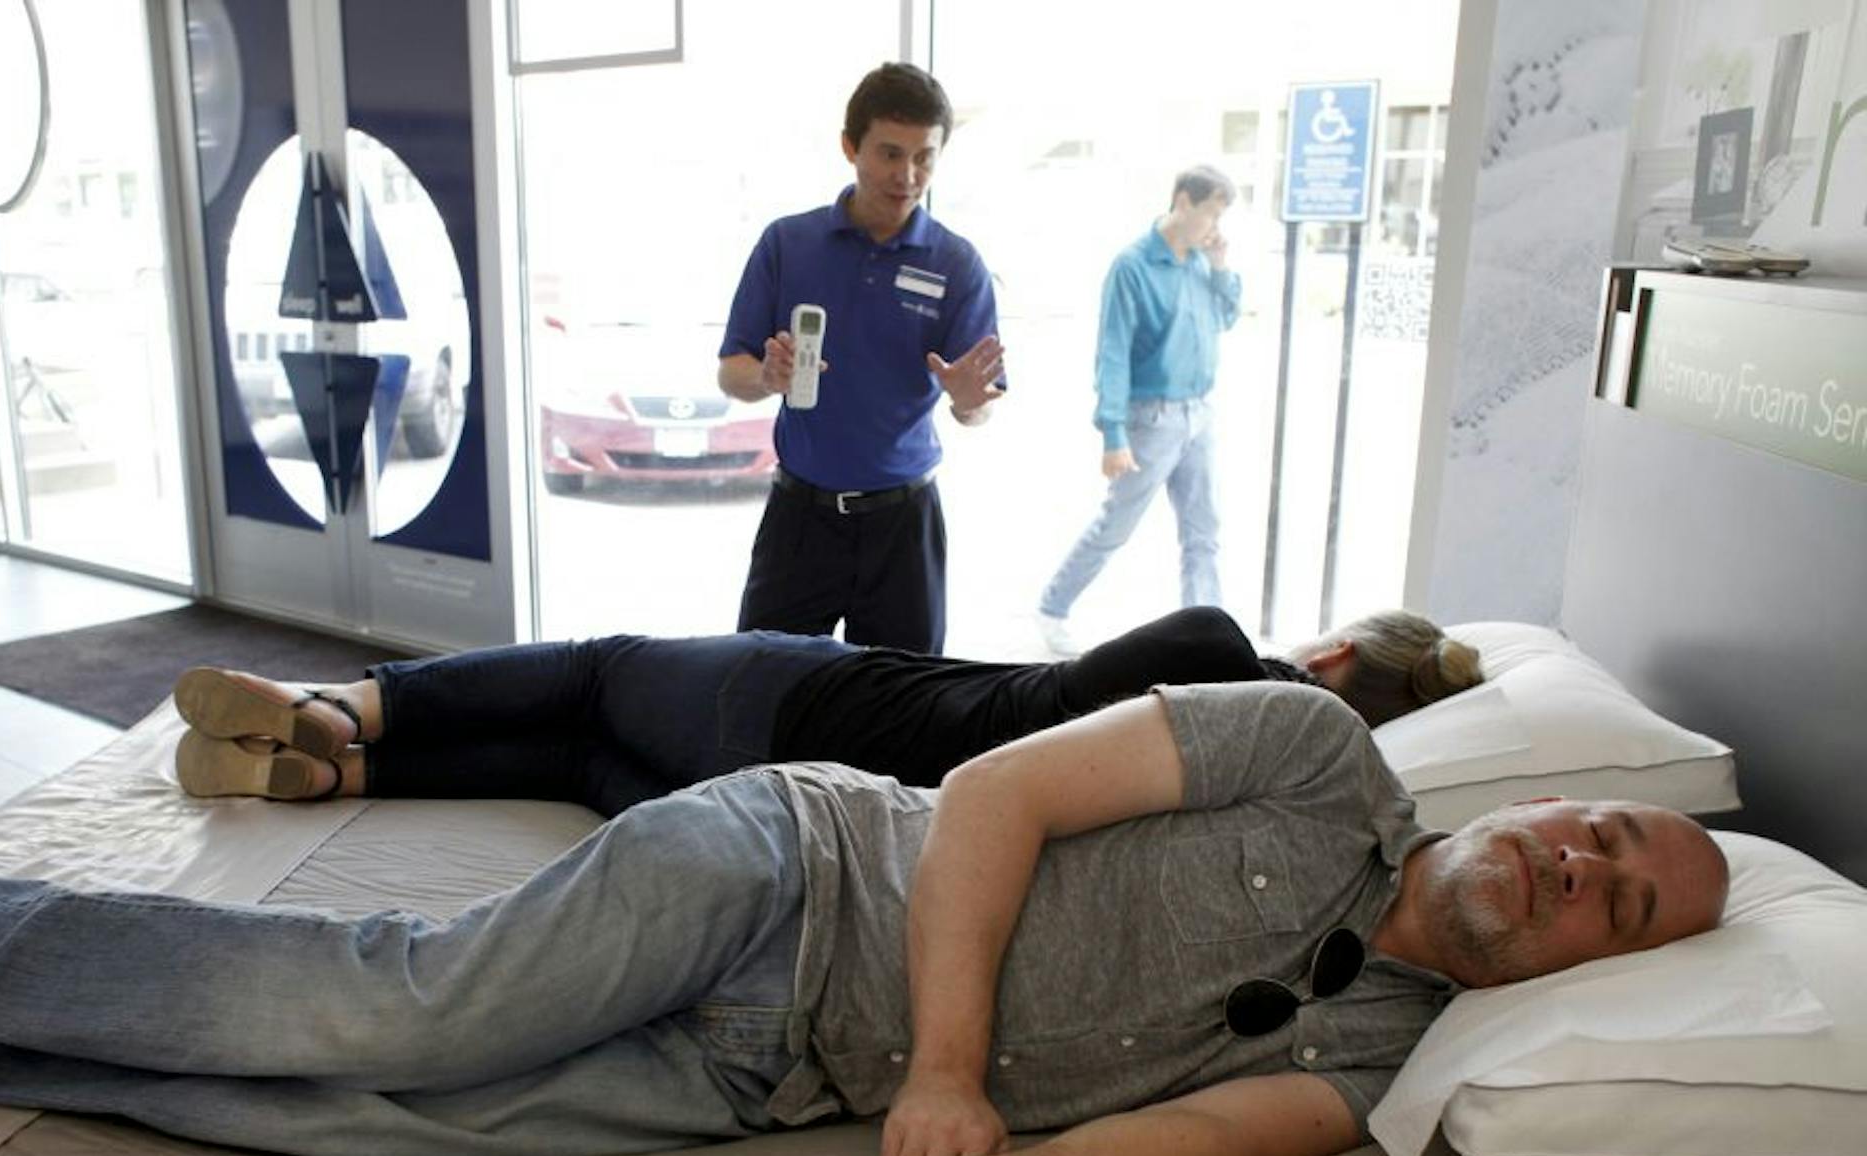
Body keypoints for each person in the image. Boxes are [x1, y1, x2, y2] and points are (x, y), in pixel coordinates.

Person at [0, 683, 1728, 1156]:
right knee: (407, 1021)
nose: (1581, 869)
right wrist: (947, 1079)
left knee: (367, 1130)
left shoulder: (1380, 1067)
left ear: (1591, 968)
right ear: (1546, 796)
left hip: (775, 1073)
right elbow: (1004, 790)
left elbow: (1192, 1141)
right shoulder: (1313, 752)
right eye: (1600, 830)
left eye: (1620, 906)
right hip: (798, 865)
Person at [168, 605, 1484, 814]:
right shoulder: (1253, 795)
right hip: (811, 810)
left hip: (815, 694)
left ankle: (342, 704)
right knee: (576, 765)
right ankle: (345, 780)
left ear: (1329, 662)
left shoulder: (1214, 648)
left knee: (599, 667)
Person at [718, 61, 1005, 654]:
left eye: (924, 156)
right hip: (800, 517)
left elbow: (977, 408)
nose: (907, 175)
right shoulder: (786, 243)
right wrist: (768, 376)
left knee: (906, 709)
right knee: (759, 685)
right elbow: (732, 372)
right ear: (851, 147)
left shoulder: (956, 263)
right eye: (890, 154)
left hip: (904, 526)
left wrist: (970, 404)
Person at [1036, 165, 1243, 658]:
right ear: (1182, 201)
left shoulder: (1199, 261)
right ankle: (1052, 607)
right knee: (1116, 525)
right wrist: (1112, 433)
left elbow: (1227, 317)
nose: (1215, 226)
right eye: (1211, 212)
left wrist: (1219, 267)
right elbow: (1113, 351)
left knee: (1203, 532)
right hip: (1151, 419)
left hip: (1199, 415)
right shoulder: (1132, 266)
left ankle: (1206, 636)